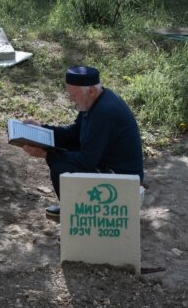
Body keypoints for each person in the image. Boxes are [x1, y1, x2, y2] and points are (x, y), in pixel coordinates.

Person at [16, 66, 144, 222]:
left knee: (61, 167)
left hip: (122, 180)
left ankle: (78, 216)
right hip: (106, 164)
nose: (71, 99)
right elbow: (73, 135)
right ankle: (73, 207)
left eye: (74, 95)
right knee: (64, 156)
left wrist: (46, 154)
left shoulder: (104, 112)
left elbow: (86, 160)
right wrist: (41, 130)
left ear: (91, 91)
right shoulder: (95, 101)